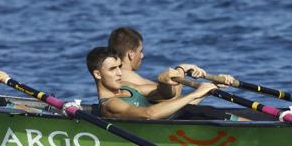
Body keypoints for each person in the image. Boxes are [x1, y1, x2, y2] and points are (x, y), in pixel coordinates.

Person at [87, 47, 218, 119]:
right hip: (178, 128)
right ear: (97, 74)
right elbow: (149, 114)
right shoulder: (110, 104)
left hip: (186, 114)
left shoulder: (126, 86)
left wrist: (165, 82)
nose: (119, 73)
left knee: (217, 113)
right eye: (112, 69)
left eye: (119, 67)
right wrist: (195, 94)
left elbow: (166, 95)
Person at [107, 26, 210, 89]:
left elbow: (172, 99)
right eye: (140, 51)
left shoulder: (129, 77)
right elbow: (170, 95)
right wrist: (182, 69)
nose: (142, 55)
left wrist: (208, 89)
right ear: (131, 54)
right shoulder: (126, 75)